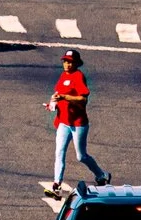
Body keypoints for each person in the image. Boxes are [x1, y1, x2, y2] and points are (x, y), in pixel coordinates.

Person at [46, 49, 109, 192]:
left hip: (78, 123)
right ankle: (57, 184)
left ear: (76, 63)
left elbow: (83, 99)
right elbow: (57, 93)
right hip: (64, 122)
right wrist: (52, 104)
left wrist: (65, 97)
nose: (67, 64)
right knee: (59, 152)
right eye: (65, 61)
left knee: (81, 156)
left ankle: (101, 175)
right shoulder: (63, 76)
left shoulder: (78, 77)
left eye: (70, 62)